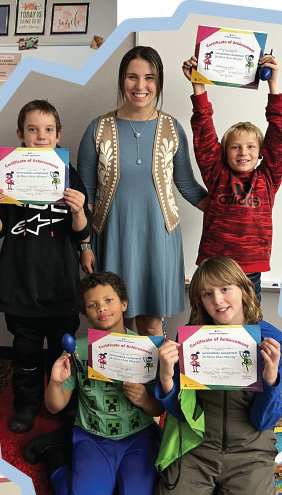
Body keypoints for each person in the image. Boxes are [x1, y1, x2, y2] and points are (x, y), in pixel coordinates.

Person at [75, 45, 209, 337]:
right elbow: (83, 196)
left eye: (149, 78)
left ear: (158, 83)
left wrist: (227, 209)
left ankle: (150, 384)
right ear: (122, 80)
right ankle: (119, 384)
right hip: (111, 239)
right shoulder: (97, 128)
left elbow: (186, 185)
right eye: (132, 77)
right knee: (114, 325)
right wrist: (85, 245)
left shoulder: (172, 128)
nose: (140, 86)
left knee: (151, 324)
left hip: (158, 240)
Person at [0, 100, 91, 433]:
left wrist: (78, 211)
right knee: (25, 351)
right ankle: (26, 405)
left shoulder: (69, 173)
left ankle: (61, 403)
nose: (41, 136)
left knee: (62, 349)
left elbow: (83, 233)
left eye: (48, 130)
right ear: (20, 134)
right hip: (20, 280)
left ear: (58, 135)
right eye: (33, 129)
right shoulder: (6, 172)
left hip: (60, 282)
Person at [154, 257, 282, 494]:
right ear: (200, 301)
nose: (217, 300)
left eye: (225, 289)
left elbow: (264, 421)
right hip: (197, 447)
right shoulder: (191, 339)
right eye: (207, 294)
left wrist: (270, 381)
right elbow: (181, 414)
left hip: (250, 450)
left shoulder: (271, 339)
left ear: (244, 290)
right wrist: (166, 378)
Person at [183, 53, 282, 299]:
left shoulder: (268, 178)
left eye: (251, 147)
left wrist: (273, 84)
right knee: (212, 329)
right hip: (214, 269)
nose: (243, 152)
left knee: (248, 330)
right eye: (235, 147)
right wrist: (197, 84)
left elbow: (280, 135)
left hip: (249, 273)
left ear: (262, 152)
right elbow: (203, 127)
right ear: (224, 152)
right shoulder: (216, 173)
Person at [45, 272, 163, 494]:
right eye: (92, 305)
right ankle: (56, 461)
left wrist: (145, 400)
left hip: (138, 436)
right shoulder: (77, 350)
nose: (101, 308)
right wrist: (55, 382)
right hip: (92, 437)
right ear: (87, 315)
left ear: (124, 304)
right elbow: (54, 406)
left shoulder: (145, 349)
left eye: (109, 300)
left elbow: (158, 408)